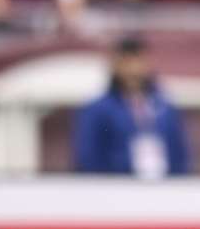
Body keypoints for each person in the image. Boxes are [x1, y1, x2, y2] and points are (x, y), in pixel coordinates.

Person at [73, 35, 190, 178]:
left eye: (138, 61)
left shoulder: (165, 106)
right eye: (126, 62)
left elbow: (179, 153)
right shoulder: (97, 109)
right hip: (116, 187)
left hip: (162, 186)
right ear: (115, 65)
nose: (133, 69)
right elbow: (89, 157)